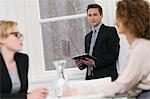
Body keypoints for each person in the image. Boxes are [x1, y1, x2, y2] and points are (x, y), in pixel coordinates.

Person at [65, 0, 150, 98]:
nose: (115, 22)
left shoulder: (140, 48)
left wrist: (81, 91)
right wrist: (82, 63)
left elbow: (122, 85)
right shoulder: (139, 46)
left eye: (119, 17)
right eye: (90, 15)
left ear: (130, 21)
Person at [0, 20, 48, 99]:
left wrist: (36, 94)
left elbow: (21, 93)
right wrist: (27, 97)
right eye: (16, 35)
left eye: (21, 35)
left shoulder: (22, 59)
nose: (21, 38)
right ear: (2, 39)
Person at [75, 4, 120, 81]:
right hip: (90, 79)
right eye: (89, 15)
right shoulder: (87, 37)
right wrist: (81, 64)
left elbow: (114, 55)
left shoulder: (110, 31)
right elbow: (88, 58)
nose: (92, 18)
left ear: (101, 15)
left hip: (106, 78)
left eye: (95, 15)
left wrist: (94, 63)